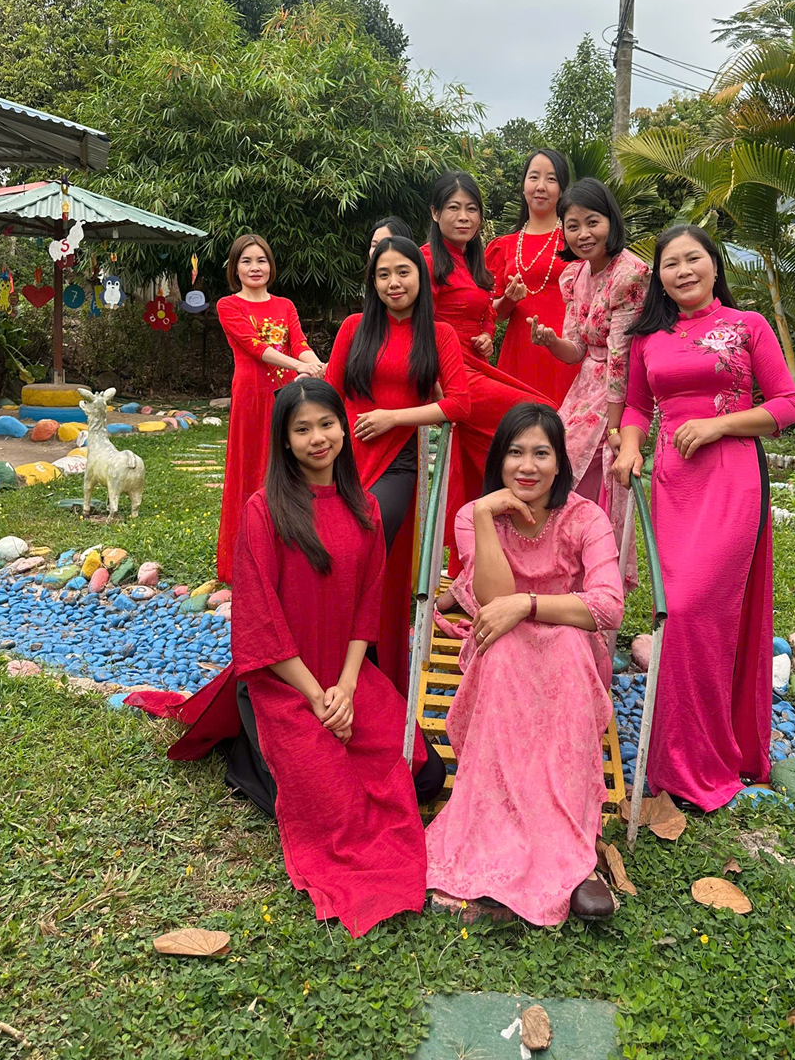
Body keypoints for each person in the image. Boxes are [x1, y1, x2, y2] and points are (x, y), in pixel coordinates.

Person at [167, 380, 439, 936]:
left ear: (344, 428)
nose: (318, 437)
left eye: (327, 424)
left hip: (345, 676)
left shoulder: (365, 508)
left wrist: (346, 687)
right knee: (332, 809)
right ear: (285, 441)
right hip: (283, 681)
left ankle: (269, 757)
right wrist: (317, 697)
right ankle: (248, 758)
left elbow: (367, 606)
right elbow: (260, 621)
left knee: (424, 777)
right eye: (302, 428)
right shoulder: (264, 510)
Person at [612, 224, 795, 811]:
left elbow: (787, 406)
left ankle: (703, 761)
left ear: (714, 266)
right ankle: (677, 759)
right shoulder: (649, 337)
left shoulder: (748, 326)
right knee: (675, 614)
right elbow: (637, 405)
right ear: (660, 278)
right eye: (670, 264)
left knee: (697, 609)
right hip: (673, 482)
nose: (683, 271)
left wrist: (719, 425)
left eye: (693, 259)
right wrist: (629, 448)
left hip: (732, 477)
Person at [424, 404, 624, 925]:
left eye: (541, 453)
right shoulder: (475, 515)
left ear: (560, 463)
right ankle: (497, 842)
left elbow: (608, 607)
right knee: (507, 649)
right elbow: (492, 603)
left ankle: (572, 855)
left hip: (569, 649)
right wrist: (485, 517)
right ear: (499, 460)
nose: (527, 466)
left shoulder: (585, 517)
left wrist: (528, 605)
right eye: (515, 452)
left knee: (565, 648)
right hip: (501, 647)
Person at [325, 236, 471, 692]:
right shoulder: (354, 327)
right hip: (341, 458)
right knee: (327, 544)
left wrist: (394, 417)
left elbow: (460, 404)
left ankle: (365, 661)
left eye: (403, 272)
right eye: (383, 274)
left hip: (397, 461)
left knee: (365, 536)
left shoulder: (439, 334)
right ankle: (324, 647)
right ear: (372, 282)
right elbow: (329, 392)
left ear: (420, 277)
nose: (393, 282)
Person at [421, 172, 553, 569]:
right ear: (435, 212)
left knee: (481, 461)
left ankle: (473, 568)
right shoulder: (426, 260)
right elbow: (418, 325)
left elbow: (485, 314)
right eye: (454, 208)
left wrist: (485, 335)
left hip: (474, 362)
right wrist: (435, 382)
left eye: (472, 209)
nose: (464, 217)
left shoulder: (472, 261)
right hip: (449, 371)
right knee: (537, 413)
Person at [529, 178, 649, 582]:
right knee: (558, 467)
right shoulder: (575, 275)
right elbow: (577, 349)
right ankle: (554, 569)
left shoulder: (630, 274)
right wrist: (550, 341)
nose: (583, 234)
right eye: (573, 225)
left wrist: (616, 427)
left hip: (617, 393)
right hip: (583, 389)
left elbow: (620, 358)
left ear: (610, 221)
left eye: (592, 222)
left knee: (582, 479)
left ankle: (588, 578)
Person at [216, 234, 325, 583]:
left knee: (289, 469)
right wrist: (300, 365)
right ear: (235, 269)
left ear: (271, 266)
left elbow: (299, 343)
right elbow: (256, 347)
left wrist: (317, 365)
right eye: (246, 261)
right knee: (251, 470)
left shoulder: (285, 305)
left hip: (287, 399)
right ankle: (245, 560)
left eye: (261, 260)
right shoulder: (228, 305)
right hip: (252, 400)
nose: (255, 267)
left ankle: (288, 553)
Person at [485, 149, 574, 406]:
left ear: (562, 189)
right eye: (534, 177)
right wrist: (509, 300)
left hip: (567, 352)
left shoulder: (576, 242)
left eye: (551, 179)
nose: (541, 186)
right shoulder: (503, 246)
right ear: (523, 186)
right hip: (520, 353)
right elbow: (493, 314)